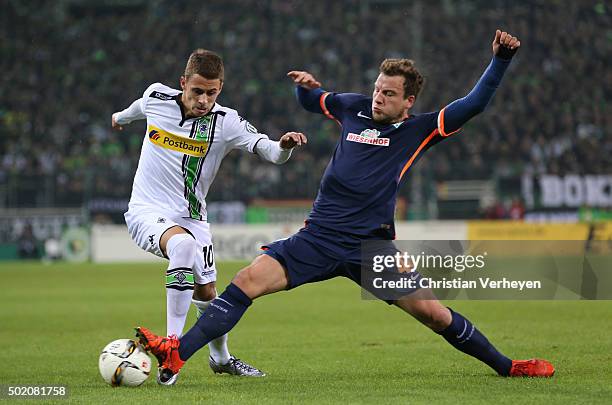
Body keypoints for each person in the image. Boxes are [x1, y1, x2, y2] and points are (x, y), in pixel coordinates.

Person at [136, 30, 555, 381]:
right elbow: (316, 100)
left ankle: (507, 367)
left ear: (408, 102)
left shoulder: (420, 130)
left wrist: (500, 61)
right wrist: (304, 89)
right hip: (317, 238)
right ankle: (178, 354)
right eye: (377, 89)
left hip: (370, 249)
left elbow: (474, 105)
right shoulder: (353, 107)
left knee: (434, 314)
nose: (377, 98)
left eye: (388, 94)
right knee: (246, 282)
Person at [111, 49, 307, 384]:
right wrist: (120, 117)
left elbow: (270, 152)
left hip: (192, 218)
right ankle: (172, 350)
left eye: (212, 93)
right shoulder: (157, 96)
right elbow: (138, 108)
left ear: (220, 89)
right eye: (197, 91)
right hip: (146, 210)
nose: (204, 100)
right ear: (183, 83)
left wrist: (284, 145)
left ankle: (221, 359)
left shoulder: (227, 122)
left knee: (208, 293)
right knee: (183, 248)